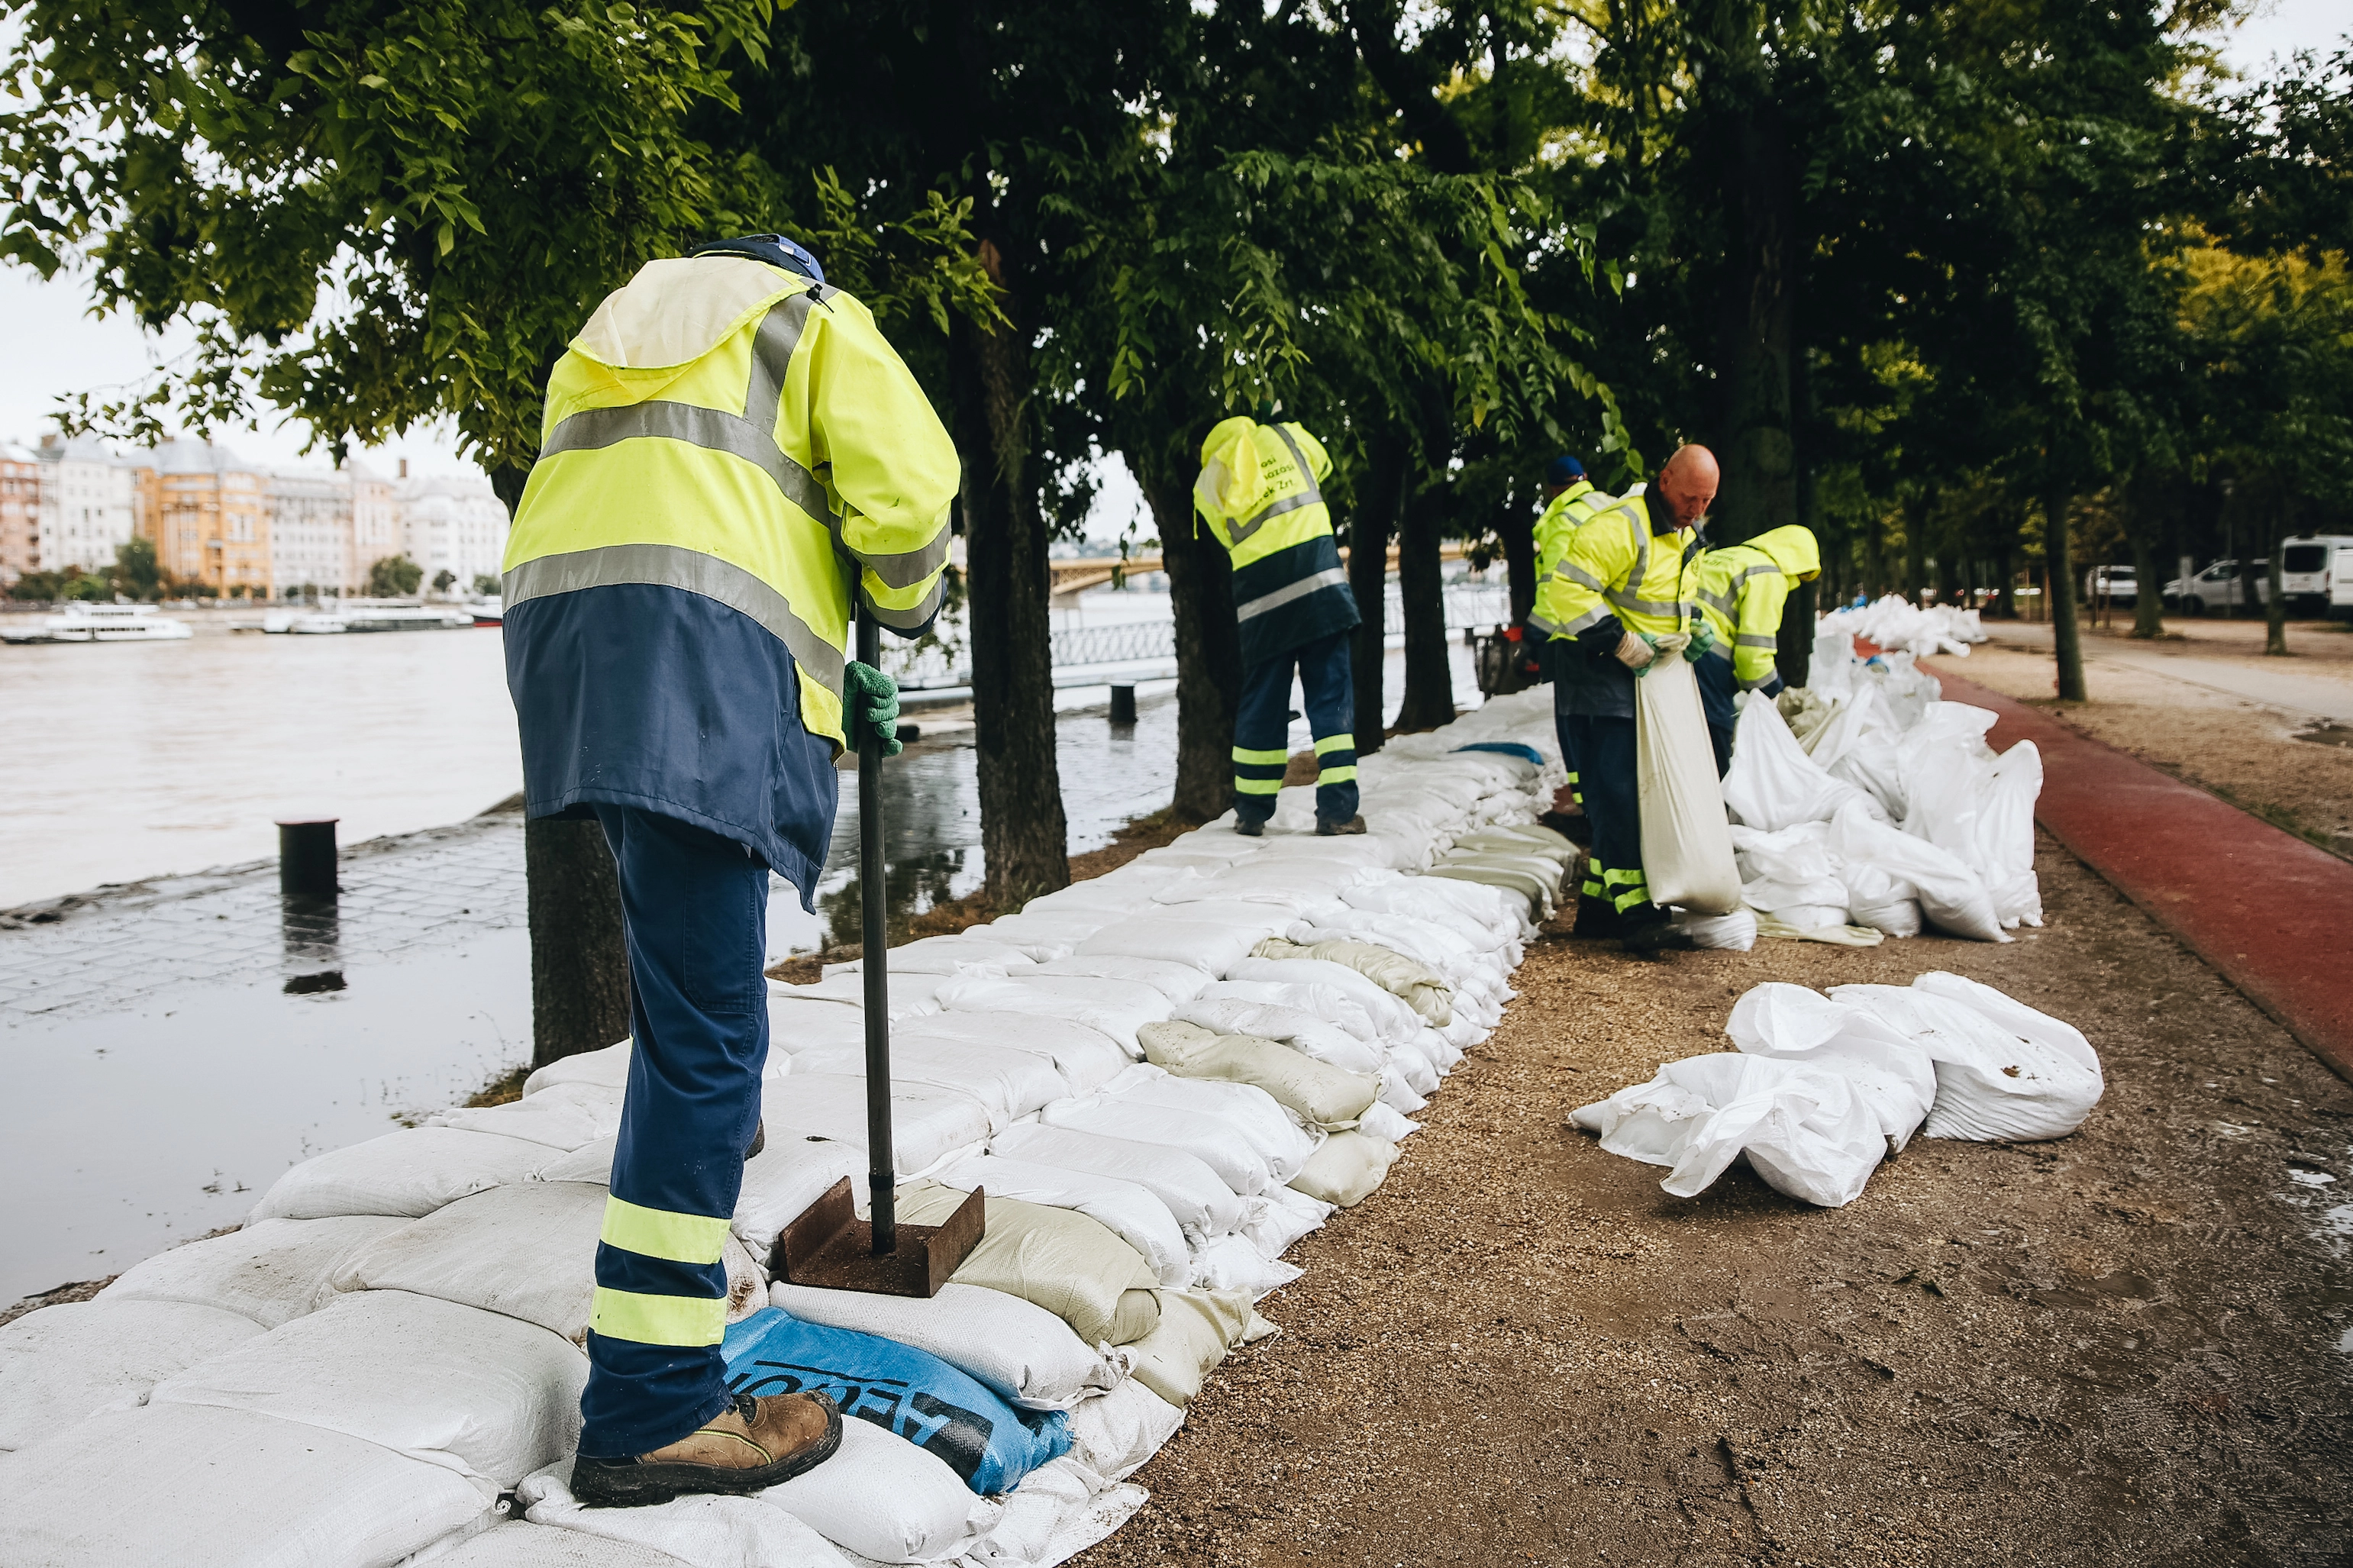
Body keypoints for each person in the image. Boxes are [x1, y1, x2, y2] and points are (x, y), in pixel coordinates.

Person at [501, 234, 958, 1507]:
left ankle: (677, 1219)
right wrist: (900, 610)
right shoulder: (806, 316)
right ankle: (652, 1404)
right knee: (711, 1037)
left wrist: (819, 677)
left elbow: (686, 516)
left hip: (580, 657)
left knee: (681, 1003)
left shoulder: (614, 322)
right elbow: (911, 498)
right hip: (698, 663)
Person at [1532, 444, 1719, 953]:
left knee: (1633, 787)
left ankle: (1596, 909)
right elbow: (1567, 592)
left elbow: (1671, 598)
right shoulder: (1620, 526)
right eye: (1689, 498)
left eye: (1706, 501)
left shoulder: (1686, 534)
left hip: (1643, 674)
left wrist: (1692, 629)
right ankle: (1638, 914)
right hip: (1596, 668)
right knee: (1617, 793)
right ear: (1664, 481)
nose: (1696, 510)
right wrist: (1619, 641)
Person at [1195, 411, 1365, 836]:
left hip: (1262, 602)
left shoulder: (1209, 481)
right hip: (1320, 588)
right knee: (1331, 699)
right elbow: (1322, 466)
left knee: (1263, 704)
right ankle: (1338, 812)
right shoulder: (1290, 437)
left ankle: (1251, 812)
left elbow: (1222, 537)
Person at [1694, 524, 1822, 776]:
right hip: (1708, 659)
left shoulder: (1726, 556)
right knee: (1714, 739)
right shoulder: (1768, 574)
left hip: (1674, 645)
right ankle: (1715, 809)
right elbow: (1753, 652)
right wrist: (1772, 693)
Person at [1526, 454, 1610, 818]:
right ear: (1586, 478)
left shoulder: (1561, 520)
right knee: (1608, 716)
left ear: (1552, 488)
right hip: (1612, 632)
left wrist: (1535, 633)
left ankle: (1584, 797)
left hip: (1573, 635)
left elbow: (1556, 585)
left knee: (1573, 719)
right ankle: (1605, 790)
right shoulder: (1611, 507)